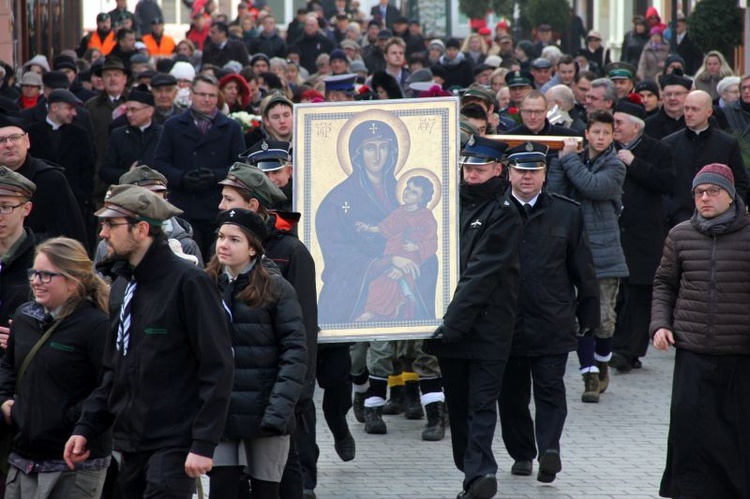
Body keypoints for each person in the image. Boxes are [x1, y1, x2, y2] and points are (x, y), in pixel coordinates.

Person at [63, 184, 234, 498]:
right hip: (131, 443)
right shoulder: (126, 284)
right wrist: (87, 426)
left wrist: (203, 443)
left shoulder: (189, 283)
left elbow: (218, 367)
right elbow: (115, 367)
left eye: (111, 224)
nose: (102, 233)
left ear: (141, 229)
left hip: (174, 444)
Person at [423, 135, 522, 499]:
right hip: (448, 327)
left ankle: (481, 475)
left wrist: (452, 323)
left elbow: (482, 274)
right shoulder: (447, 209)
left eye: (480, 169)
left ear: (499, 170)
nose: (472, 175)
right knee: (460, 404)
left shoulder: (505, 214)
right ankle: (472, 470)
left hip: (486, 327)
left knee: (481, 404)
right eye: (468, 169)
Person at [498, 142, 599, 484]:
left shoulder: (566, 212)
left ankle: (550, 449)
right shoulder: (495, 210)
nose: (527, 177)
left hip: (551, 317)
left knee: (550, 389)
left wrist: (589, 315)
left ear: (545, 174)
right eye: (521, 170)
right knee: (511, 395)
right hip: (506, 320)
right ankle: (522, 453)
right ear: (509, 172)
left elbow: (582, 268)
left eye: (534, 171)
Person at [651, 163, 750, 498]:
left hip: (738, 351)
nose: (705, 198)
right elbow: (664, 283)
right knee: (689, 425)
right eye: (699, 193)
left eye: (713, 191)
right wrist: (660, 325)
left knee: (733, 429)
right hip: (692, 348)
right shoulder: (681, 234)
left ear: (730, 195)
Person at [206, 208, 306, 499]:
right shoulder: (205, 284)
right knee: (222, 489)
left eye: (234, 239)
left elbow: (295, 352)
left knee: (266, 492)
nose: (223, 244)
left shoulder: (276, 288)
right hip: (222, 413)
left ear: (253, 248)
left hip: (265, 412)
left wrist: (279, 410)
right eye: (221, 237)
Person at [0, 238, 111, 497]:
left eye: (47, 275)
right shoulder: (25, 316)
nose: (36, 281)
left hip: (73, 462)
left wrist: (71, 420)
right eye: (34, 273)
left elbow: (109, 386)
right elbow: (8, 364)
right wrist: (3, 399)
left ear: (73, 281)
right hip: (23, 456)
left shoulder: (96, 326)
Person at [548, 110, 628, 403]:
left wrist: (567, 160)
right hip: (574, 250)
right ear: (587, 133)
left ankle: (602, 361)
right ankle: (589, 375)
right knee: (583, 319)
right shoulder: (574, 160)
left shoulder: (616, 165)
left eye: (606, 133)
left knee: (605, 320)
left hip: (605, 253)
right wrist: (560, 162)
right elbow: (556, 193)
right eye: (596, 132)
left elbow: (594, 187)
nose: (601, 138)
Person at [610, 97, 675, 373]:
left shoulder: (658, 150)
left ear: (635, 127)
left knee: (639, 294)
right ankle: (619, 347)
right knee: (618, 296)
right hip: (615, 234)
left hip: (643, 236)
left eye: (618, 123)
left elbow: (666, 183)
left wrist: (634, 163)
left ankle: (628, 351)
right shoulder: (608, 149)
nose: (613, 128)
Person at [152, 73, 245, 256]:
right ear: (191, 95)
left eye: (212, 95)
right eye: (202, 94)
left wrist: (216, 176)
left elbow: (240, 166)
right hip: (183, 207)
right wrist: (182, 178)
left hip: (217, 208)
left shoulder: (231, 127)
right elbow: (160, 163)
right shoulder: (173, 125)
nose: (207, 99)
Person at [663, 90, 749, 227]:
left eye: (695, 109)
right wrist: (671, 209)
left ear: (709, 112)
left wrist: (727, 209)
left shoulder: (727, 144)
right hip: (678, 219)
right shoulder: (669, 143)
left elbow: (740, 182)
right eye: (686, 108)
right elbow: (662, 183)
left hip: (720, 221)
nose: (689, 113)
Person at [0, 116, 87, 245]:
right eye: (1, 140)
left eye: (15, 137)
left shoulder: (51, 179)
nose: (9, 144)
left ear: (27, 141)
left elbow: (70, 235)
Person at [94, 166, 203, 267]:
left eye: (158, 201)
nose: (152, 208)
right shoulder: (107, 246)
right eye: (144, 203)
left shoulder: (186, 245)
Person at [100, 87, 162, 186]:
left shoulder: (162, 134)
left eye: (133, 110)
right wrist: (128, 175)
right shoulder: (118, 134)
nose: (129, 114)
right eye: (127, 110)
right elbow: (105, 171)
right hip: (126, 195)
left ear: (149, 111)